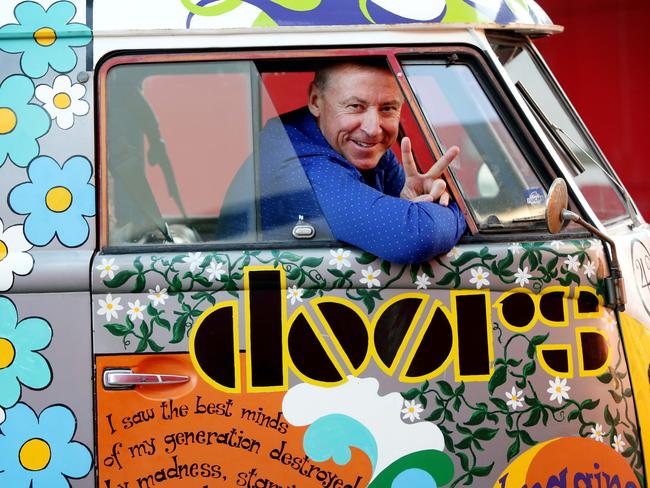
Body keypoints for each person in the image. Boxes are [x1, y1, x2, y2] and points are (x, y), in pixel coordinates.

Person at [259, 60, 467, 263]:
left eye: (387, 108)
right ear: (315, 101)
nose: (373, 129)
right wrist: (464, 209)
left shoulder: (358, 147)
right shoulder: (302, 163)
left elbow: (412, 221)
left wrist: (426, 202)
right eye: (355, 106)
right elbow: (416, 235)